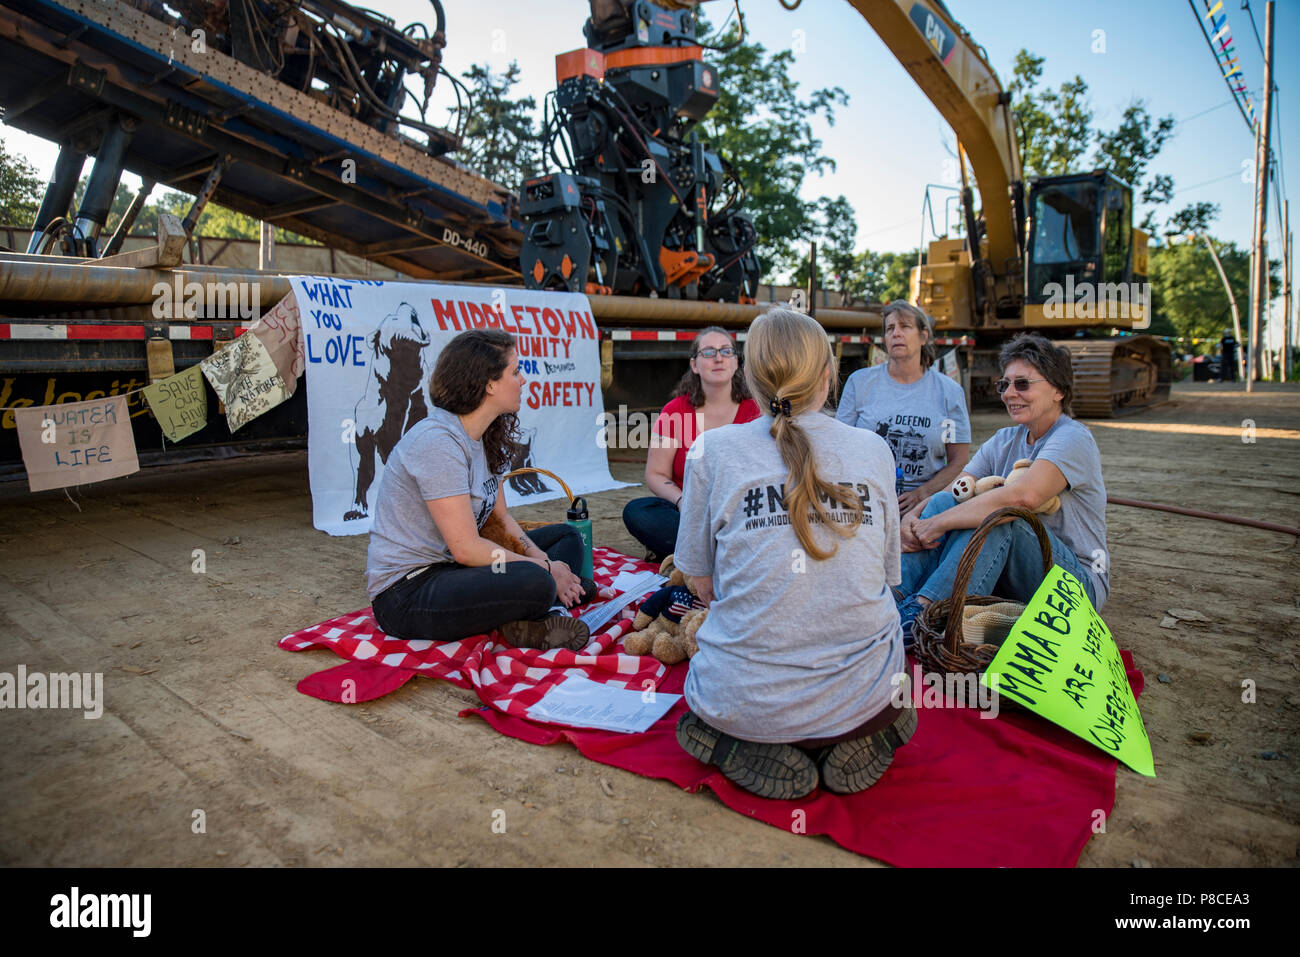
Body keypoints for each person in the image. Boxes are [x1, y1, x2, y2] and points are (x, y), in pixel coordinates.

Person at [671, 309, 915, 801]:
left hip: (745, 700)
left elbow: (700, 582)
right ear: (828, 375)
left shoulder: (711, 451)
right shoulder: (873, 449)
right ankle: (866, 729)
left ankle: (734, 737)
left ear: (750, 381)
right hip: (866, 696)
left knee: (712, 682)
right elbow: (890, 579)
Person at [365, 329, 594, 651]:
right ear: (489, 384)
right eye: (515, 372)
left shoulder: (487, 435)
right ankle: (545, 604)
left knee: (565, 538)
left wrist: (542, 557)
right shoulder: (438, 443)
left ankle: (529, 612)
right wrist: (544, 570)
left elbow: (501, 519)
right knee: (535, 580)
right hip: (409, 591)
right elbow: (467, 549)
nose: (523, 380)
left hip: (457, 569)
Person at [895, 332, 1110, 642]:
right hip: (1018, 572)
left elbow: (1023, 498)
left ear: (1059, 391)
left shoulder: (1073, 437)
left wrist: (937, 524)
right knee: (946, 505)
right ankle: (890, 599)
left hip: (1074, 585)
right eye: (1004, 384)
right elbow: (952, 492)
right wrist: (913, 518)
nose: (1010, 393)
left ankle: (925, 618)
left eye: (1022, 384)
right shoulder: (1004, 440)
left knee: (1000, 517)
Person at [622, 326, 761, 561]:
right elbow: (656, 474)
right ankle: (723, 556)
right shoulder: (675, 411)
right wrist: (682, 501)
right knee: (638, 512)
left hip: (738, 512)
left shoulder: (756, 411)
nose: (718, 358)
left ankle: (695, 555)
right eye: (708, 352)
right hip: (688, 513)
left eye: (726, 351)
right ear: (695, 365)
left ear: (736, 362)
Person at [836, 300, 971, 514]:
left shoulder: (948, 393)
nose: (896, 333)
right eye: (890, 328)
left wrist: (923, 494)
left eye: (905, 327)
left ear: (923, 336)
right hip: (867, 502)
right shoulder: (860, 383)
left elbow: (958, 460)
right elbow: (840, 446)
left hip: (924, 508)